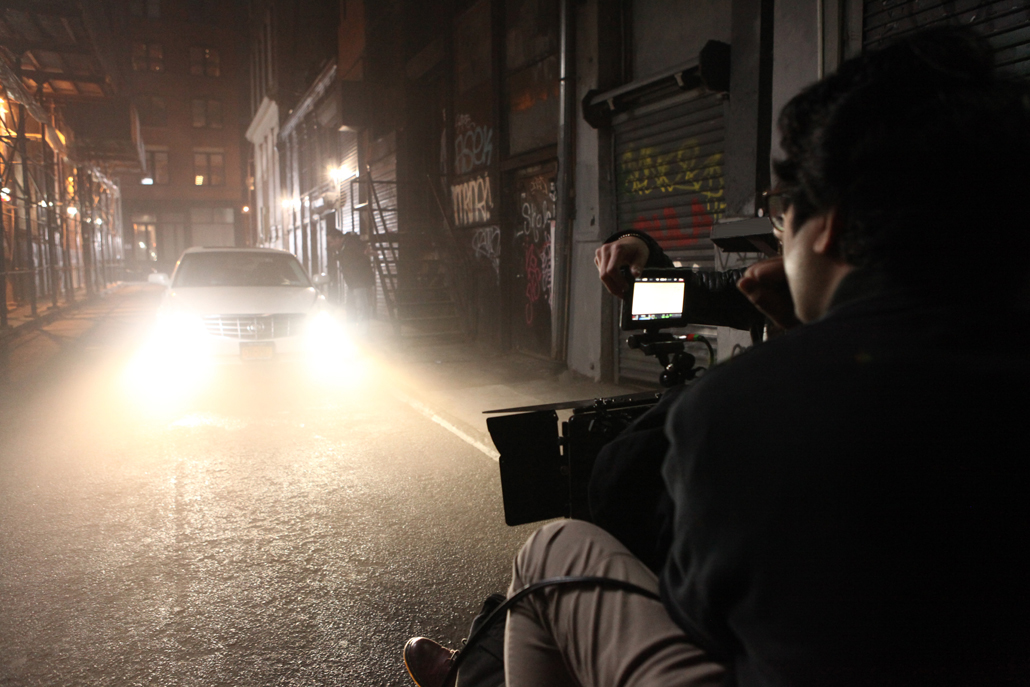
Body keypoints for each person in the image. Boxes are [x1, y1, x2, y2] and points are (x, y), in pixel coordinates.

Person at [405, 27, 1030, 687]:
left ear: (834, 225)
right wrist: (646, 258)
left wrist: (799, 344)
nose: (774, 242)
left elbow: (699, 612)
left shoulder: (735, 412)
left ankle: (477, 672)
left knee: (561, 544)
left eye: (782, 215)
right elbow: (715, 291)